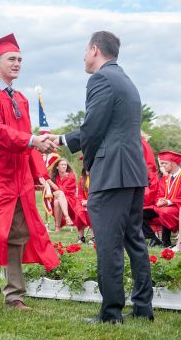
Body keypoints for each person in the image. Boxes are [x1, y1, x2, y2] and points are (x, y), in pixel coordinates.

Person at [52, 31, 154, 323]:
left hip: (112, 173)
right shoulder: (126, 80)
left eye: (85, 51)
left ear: (95, 49)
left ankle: (111, 312)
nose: (84, 57)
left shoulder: (100, 79)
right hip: (133, 171)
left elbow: (93, 129)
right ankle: (143, 307)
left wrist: (61, 140)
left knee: (109, 242)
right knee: (134, 239)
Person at [0, 33, 60, 314]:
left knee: (19, 233)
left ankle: (15, 295)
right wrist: (32, 140)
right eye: (12, 59)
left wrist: (42, 174)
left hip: (19, 175)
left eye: (20, 59)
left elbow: (26, 138)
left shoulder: (20, 98)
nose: (17, 63)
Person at [145, 150, 181, 248]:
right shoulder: (165, 179)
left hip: (177, 208)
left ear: (173, 164)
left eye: (165, 163)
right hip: (163, 207)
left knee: (165, 211)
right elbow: (159, 195)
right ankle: (154, 238)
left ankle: (166, 242)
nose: (162, 166)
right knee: (137, 212)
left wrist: (168, 202)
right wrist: (160, 200)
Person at [141, 133, 161, 247]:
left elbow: (149, 197)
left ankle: (153, 238)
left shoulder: (151, 177)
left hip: (152, 207)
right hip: (145, 206)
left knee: (133, 213)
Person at [47, 158, 77, 232]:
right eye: (62, 165)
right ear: (57, 167)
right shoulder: (55, 177)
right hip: (59, 200)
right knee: (57, 201)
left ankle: (63, 221)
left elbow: (61, 190)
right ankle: (59, 226)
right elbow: (51, 191)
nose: (64, 166)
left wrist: (48, 181)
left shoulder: (70, 176)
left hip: (70, 200)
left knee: (60, 194)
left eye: (65, 165)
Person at [76, 166, 94, 244]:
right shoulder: (82, 179)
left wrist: (89, 202)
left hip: (95, 202)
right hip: (83, 202)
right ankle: (81, 237)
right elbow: (79, 194)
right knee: (79, 212)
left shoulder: (97, 178)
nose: (88, 171)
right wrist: (83, 201)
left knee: (92, 212)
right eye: (86, 169)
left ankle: (93, 237)